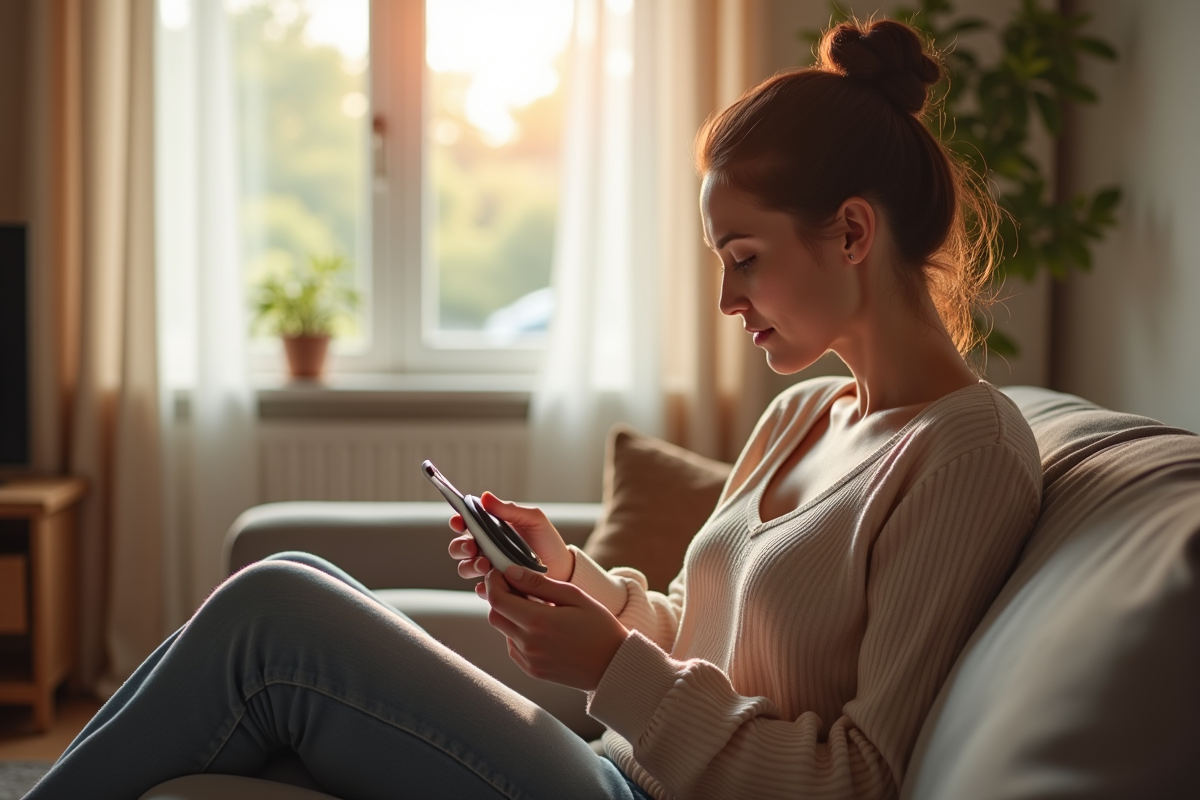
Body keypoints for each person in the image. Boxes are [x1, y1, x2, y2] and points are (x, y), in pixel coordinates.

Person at [26, 18, 1041, 800]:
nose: (728, 300)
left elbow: (864, 774)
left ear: (853, 231)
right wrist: (570, 573)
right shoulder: (807, 413)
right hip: (617, 760)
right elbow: (698, 631)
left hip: (639, 788)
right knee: (294, 578)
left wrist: (614, 670)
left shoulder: (966, 454)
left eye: (745, 259)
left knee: (272, 611)